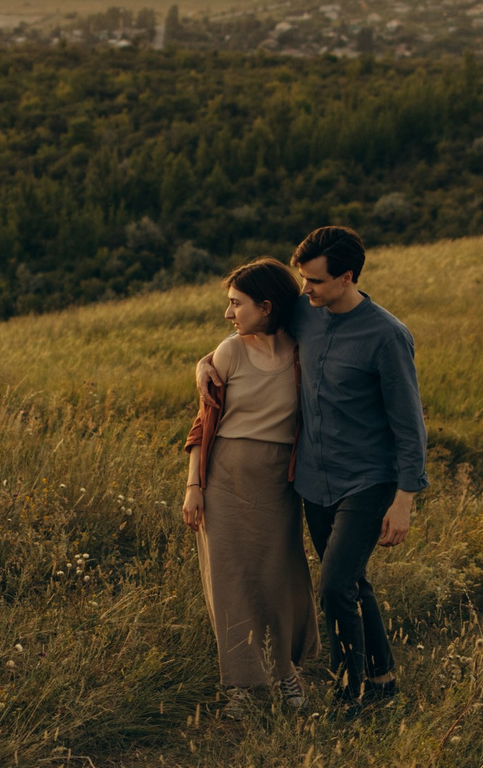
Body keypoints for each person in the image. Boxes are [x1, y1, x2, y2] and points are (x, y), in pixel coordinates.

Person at [199, 225, 427, 712]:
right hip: (314, 481)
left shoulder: (387, 336)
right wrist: (204, 365)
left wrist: (404, 500)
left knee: (336, 586)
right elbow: (248, 333)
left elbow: (410, 425)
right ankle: (382, 678)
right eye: (302, 279)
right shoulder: (306, 312)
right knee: (354, 583)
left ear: (347, 277)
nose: (305, 290)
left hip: (367, 481)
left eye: (316, 281)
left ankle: (351, 694)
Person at [182, 259, 316, 719]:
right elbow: (203, 423)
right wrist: (193, 485)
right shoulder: (228, 352)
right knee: (231, 582)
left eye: (236, 304)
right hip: (223, 481)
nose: (228, 314)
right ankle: (242, 684)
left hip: (279, 483)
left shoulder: (303, 351)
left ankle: (285, 671)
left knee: (280, 577)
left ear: (267, 306)